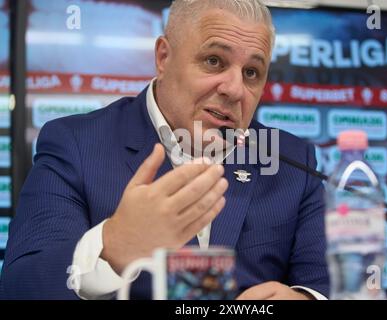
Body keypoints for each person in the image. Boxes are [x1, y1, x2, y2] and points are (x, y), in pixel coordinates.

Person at [0, 0, 329, 300]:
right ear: (163, 57)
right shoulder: (76, 142)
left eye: (252, 73)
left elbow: (331, 284)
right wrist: (115, 246)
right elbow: (22, 286)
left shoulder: (295, 162)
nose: (234, 89)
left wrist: (305, 299)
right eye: (214, 61)